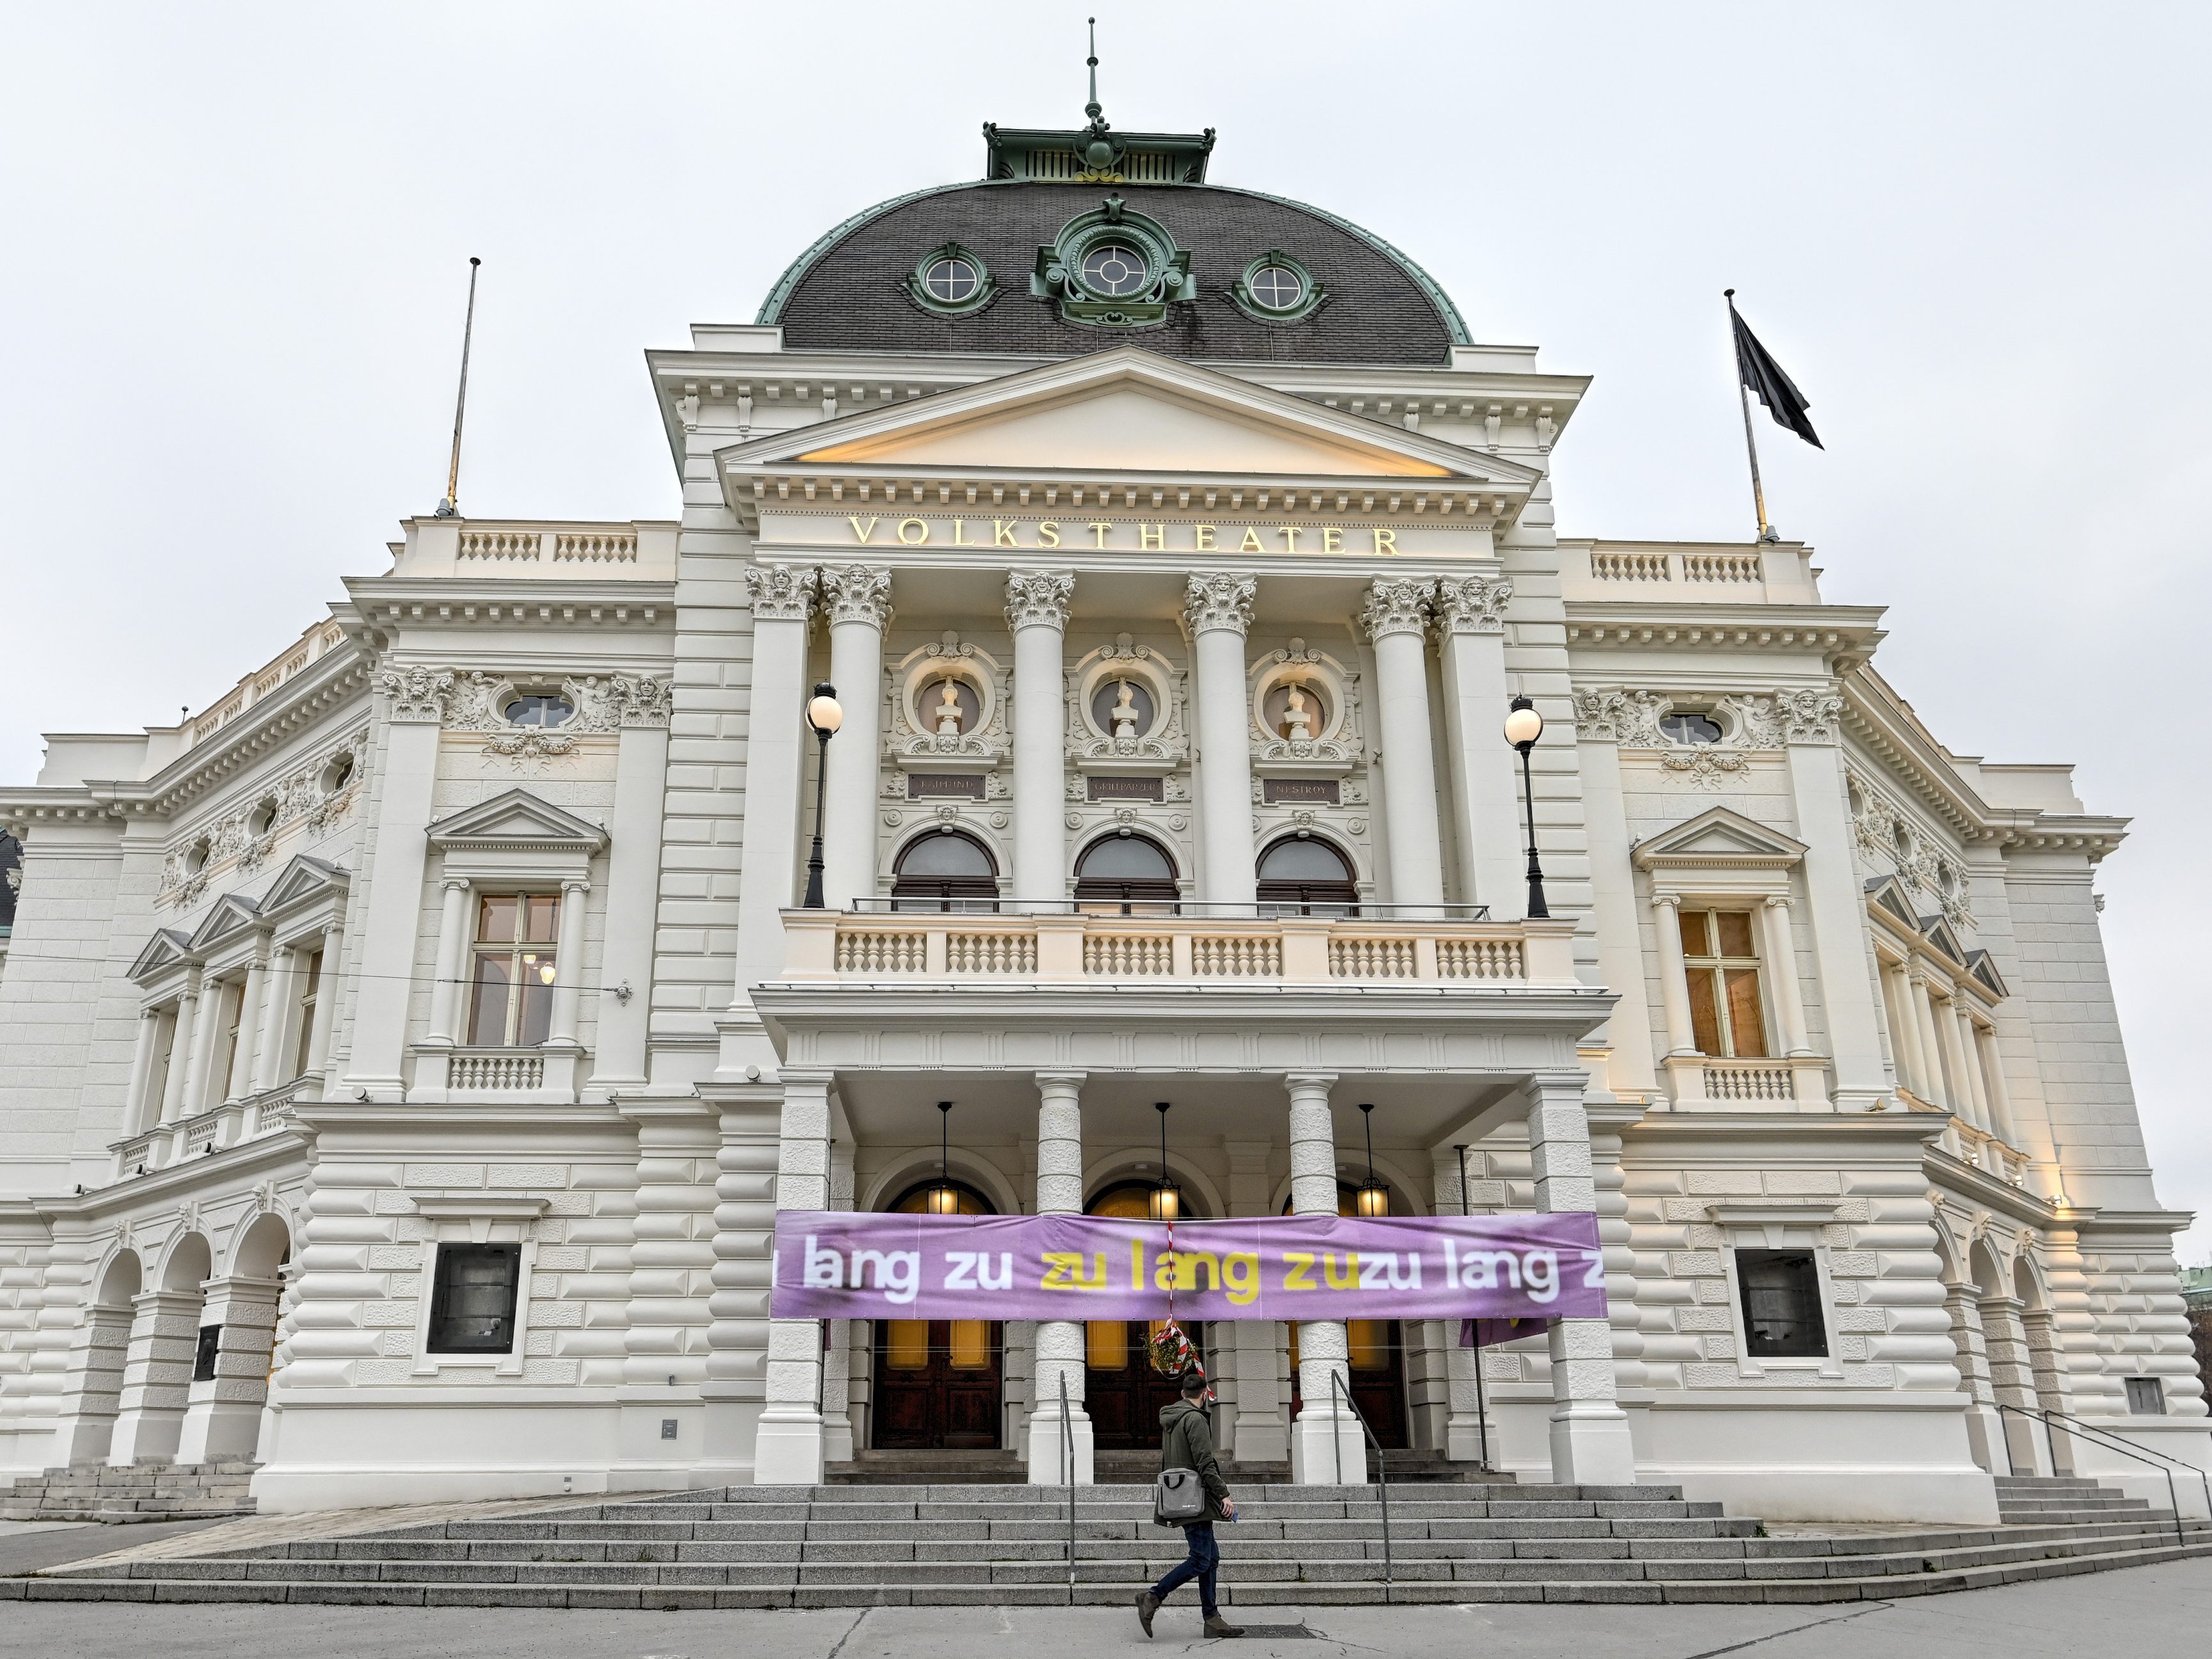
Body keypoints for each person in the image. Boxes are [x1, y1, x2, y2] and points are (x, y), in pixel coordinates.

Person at [1136, 1368, 1243, 1639]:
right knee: (1200, 1559)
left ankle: (1212, 1619)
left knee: (1210, 1558)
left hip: (1181, 1495)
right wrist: (1224, 1494)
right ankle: (1153, 1597)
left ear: (1183, 1393)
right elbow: (1204, 1462)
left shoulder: (1173, 1418)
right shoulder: (1195, 1419)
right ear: (1205, 1395)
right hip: (1195, 1499)